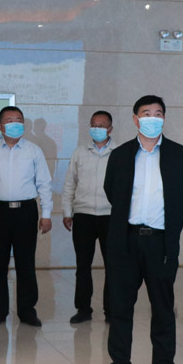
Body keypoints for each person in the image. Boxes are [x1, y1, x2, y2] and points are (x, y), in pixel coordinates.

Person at [102, 95, 183, 364]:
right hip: (126, 240)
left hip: (161, 242)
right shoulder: (121, 155)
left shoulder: (179, 155)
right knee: (120, 307)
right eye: (146, 113)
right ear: (135, 119)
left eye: (158, 113)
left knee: (163, 307)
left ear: (164, 119)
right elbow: (111, 191)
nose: (152, 118)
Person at [0, 106, 53, 327]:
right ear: (0, 125)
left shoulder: (34, 151)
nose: (15, 123)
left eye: (19, 120)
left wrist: (46, 214)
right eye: (10, 120)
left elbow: (44, 183)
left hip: (25, 211)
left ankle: (27, 310)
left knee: (26, 263)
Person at [62, 110, 114, 324]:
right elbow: (69, 184)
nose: (97, 129)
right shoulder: (80, 152)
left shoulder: (119, 153)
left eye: (101, 125)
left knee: (113, 266)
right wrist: (67, 212)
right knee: (83, 265)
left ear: (110, 129)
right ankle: (83, 309)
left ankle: (111, 310)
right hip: (83, 216)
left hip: (110, 216)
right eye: (93, 124)